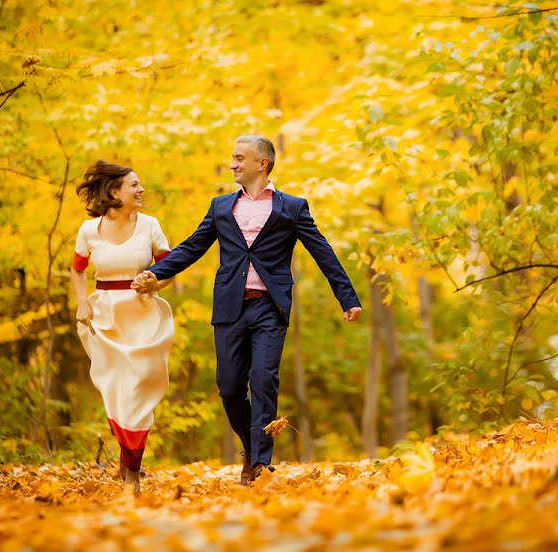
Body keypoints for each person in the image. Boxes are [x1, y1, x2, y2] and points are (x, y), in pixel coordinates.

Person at [134, 136, 361, 485]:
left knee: (264, 379)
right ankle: (251, 446)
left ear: (262, 163)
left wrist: (347, 298)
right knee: (228, 387)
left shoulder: (292, 207)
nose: (233, 164)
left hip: (270, 307)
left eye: (240, 158)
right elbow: (193, 247)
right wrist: (156, 272)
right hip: (230, 307)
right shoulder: (220, 207)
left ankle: (260, 465)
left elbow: (323, 252)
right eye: (232, 158)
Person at [70, 160, 175, 495]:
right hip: (105, 320)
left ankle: (131, 470)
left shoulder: (150, 226)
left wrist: (156, 284)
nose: (141, 190)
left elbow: (170, 266)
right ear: (114, 192)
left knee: (139, 395)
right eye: (134, 185)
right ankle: (131, 465)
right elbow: (77, 269)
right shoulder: (88, 231)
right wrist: (81, 301)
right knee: (116, 394)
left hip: (143, 317)